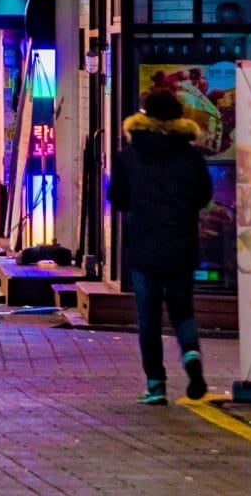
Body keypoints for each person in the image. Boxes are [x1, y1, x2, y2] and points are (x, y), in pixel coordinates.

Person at [109, 89, 214, 405]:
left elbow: (119, 199)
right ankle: (191, 356)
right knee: (183, 310)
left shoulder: (128, 156)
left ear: (145, 115)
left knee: (149, 318)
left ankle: (156, 384)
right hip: (181, 245)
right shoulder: (192, 156)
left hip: (144, 246)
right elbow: (203, 197)